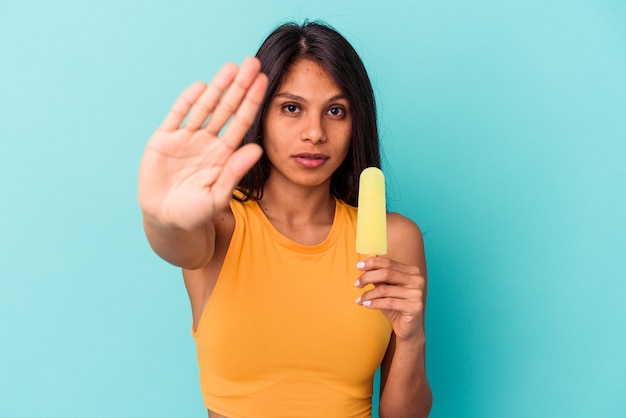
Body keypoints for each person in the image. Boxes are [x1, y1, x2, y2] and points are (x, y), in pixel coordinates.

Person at [138, 21, 432, 417]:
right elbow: (175, 239)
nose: (315, 132)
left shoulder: (396, 239)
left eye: (335, 111)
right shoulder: (220, 225)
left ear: (355, 122)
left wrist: (412, 340)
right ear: (262, 116)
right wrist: (161, 215)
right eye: (292, 108)